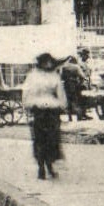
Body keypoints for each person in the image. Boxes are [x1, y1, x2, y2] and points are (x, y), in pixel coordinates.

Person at [21, 51, 67, 180]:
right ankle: (41, 167)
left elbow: (60, 92)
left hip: (52, 110)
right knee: (40, 139)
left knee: (52, 140)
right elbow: (26, 92)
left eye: (50, 62)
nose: (48, 64)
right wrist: (28, 106)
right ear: (41, 63)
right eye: (46, 62)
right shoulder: (32, 76)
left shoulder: (54, 76)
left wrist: (62, 105)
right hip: (38, 110)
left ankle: (50, 166)